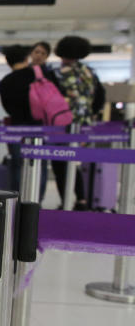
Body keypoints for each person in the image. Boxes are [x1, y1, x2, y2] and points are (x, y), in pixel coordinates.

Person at [0, 45, 60, 194]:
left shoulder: (5, 81)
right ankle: (37, 201)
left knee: (18, 164)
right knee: (41, 164)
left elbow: (7, 108)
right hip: (41, 127)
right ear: (27, 58)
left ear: (8, 62)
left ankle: (17, 199)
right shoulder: (39, 75)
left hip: (17, 128)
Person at [53, 35, 105, 209]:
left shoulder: (58, 72)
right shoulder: (89, 72)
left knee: (60, 162)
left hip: (62, 124)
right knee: (78, 161)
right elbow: (100, 98)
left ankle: (66, 200)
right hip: (85, 124)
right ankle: (82, 199)